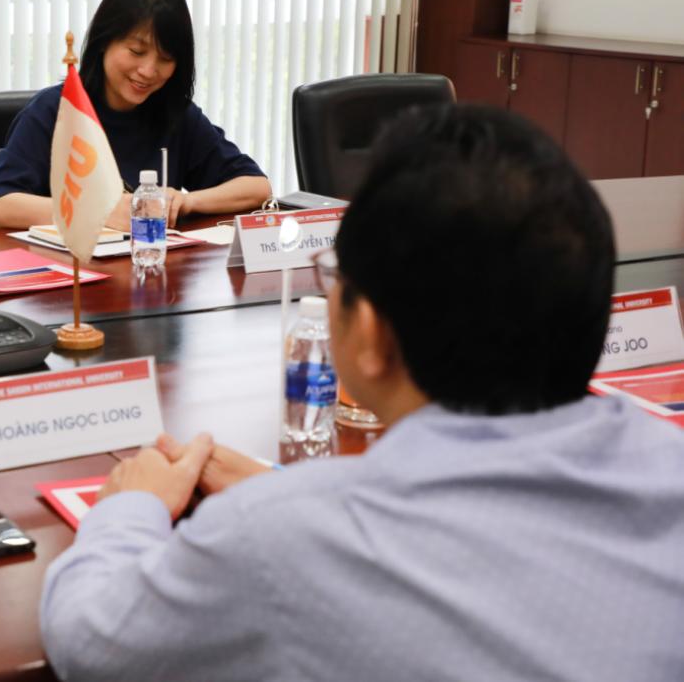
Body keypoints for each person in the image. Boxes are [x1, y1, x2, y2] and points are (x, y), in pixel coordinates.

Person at [40, 106, 684, 681]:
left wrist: (130, 509)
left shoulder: (285, 544)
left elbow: (90, 640)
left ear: (370, 333)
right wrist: (278, 493)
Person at [0, 0, 271, 230]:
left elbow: (257, 187)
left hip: (152, 277)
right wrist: (96, 212)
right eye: (136, 51)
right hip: (69, 282)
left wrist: (186, 200)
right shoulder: (57, 110)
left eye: (166, 59)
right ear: (104, 42)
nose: (148, 71)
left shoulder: (176, 114)